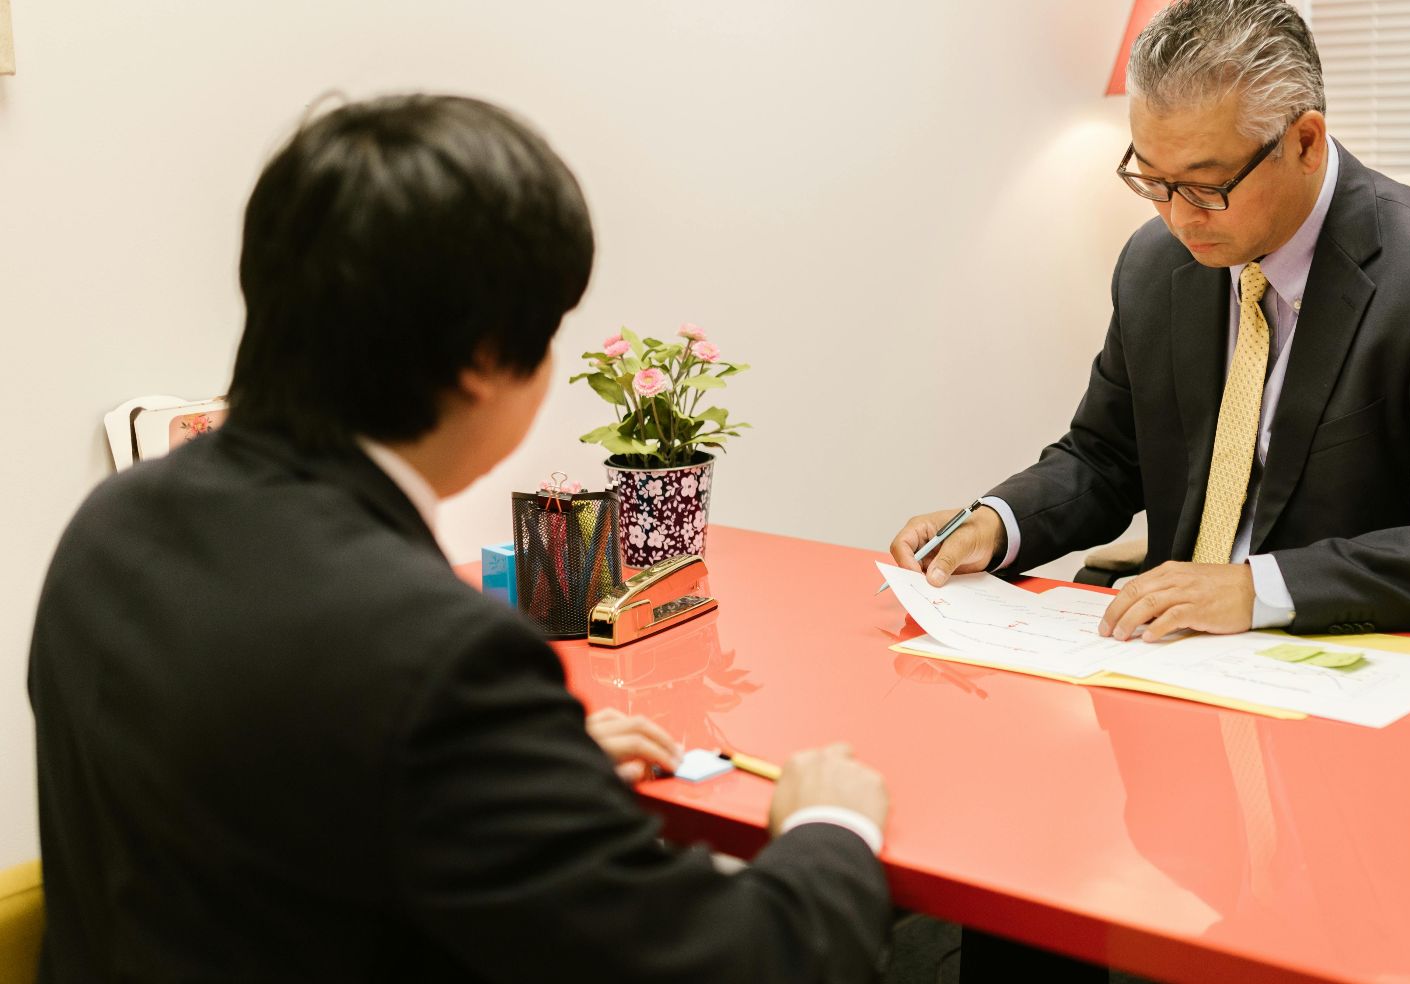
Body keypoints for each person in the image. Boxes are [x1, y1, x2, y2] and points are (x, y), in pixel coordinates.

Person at [30, 94, 891, 982]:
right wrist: (831, 829)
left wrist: (515, 781)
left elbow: (269, 789)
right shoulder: (438, 660)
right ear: (485, 359)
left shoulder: (113, 526)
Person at [891, 0, 1410, 647]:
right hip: (1173, 653)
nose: (1180, 219)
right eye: (1154, 182)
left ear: (1305, 142)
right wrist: (997, 523)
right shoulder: (1157, 263)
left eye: (1208, 187)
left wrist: (1258, 589)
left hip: (1357, 660)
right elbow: (1104, 458)